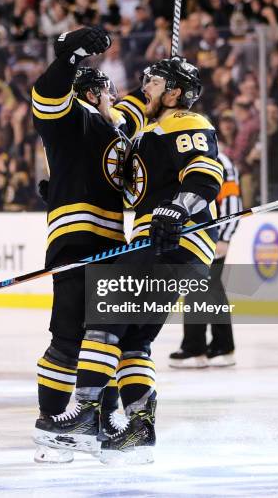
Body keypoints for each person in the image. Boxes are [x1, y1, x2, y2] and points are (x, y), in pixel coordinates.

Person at [38, 56, 223, 464]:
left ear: (174, 93)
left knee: (103, 316)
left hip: (173, 243)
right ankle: (139, 431)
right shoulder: (148, 132)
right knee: (134, 340)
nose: (146, 88)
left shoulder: (183, 122)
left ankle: (85, 417)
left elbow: (206, 174)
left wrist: (179, 208)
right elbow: (126, 182)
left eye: (155, 83)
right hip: (164, 249)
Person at [31, 26, 146, 463]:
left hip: (114, 247)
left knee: (103, 341)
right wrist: (68, 56)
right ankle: (57, 423)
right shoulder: (72, 116)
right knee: (69, 340)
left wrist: (163, 80)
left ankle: (99, 424)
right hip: (78, 242)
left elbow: (138, 108)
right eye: (108, 91)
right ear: (94, 91)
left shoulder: (110, 126)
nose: (116, 98)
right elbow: (45, 95)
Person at [169, 150, 242, 368]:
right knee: (208, 288)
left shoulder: (220, 161)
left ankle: (196, 348)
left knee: (201, 287)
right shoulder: (196, 157)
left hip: (213, 237)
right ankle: (220, 346)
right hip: (200, 236)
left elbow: (231, 202)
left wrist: (225, 237)